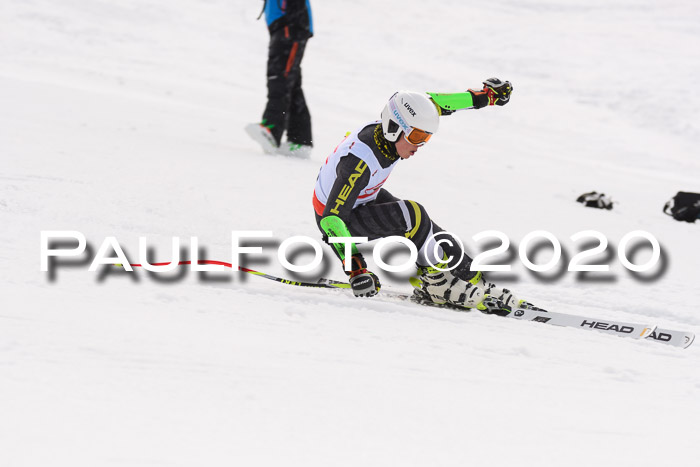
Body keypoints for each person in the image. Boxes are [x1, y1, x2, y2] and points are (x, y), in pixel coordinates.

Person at [312, 78, 534, 315]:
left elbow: (440, 104)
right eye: (418, 137)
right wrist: (357, 270)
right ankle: (435, 283)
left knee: (435, 233)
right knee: (412, 215)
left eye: (426, 138)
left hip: (363, 198)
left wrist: (487, 96)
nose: (420, 145)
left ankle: (475, 281)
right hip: (340, 218)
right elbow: (331, 222)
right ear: (394, 129)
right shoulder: (358, 162)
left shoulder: (393, 130)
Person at [246, 0, 314, 158]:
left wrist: (291, 21)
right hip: (286, 25)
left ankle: (271, 129)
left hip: (290, 25)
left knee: (280, 77)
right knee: (290, 81)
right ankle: (300, 141)